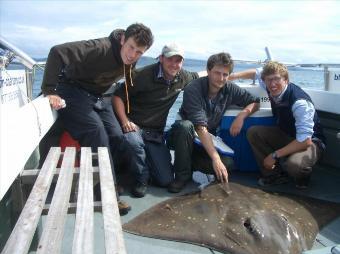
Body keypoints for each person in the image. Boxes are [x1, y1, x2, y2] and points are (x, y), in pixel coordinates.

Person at [41, 23, 154, 215]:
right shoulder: (99, 48)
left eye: (139, 52)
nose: (132, 55)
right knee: (97, 133)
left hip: (97, 96)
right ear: (122, 40)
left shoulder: (132, 59)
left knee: (118, 136)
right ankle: (105, 195)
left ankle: (110, 181)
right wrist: (49, 90)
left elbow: (126, 77)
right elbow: (57, 52)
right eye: (130, 47)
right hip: (71, 90)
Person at [112, 43, 205, 197]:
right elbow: (117, 96)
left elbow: (202, 75)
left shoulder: (183, 76)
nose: (174, 65)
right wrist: (124, 121)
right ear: (161, 58)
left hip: (154, 133)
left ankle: (146, 164)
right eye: (170, 59)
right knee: (133, 143)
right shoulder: (142, 75)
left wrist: (237, 76)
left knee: (165, 180)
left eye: (178, 60)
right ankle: (142, 178)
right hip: (134, 127)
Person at [166, 52, 260, 193]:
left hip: (204, 142)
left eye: (225, 74)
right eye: (217, 73)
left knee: (228, 164)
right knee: (185, 126)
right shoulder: (193, 88)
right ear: (208, 71)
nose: (221, 78)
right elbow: (200, 127)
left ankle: (189, 162)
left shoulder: (229, 88)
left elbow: (255, 102)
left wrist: (242, 116)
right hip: (182, 137)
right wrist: (215, 158)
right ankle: (181, 176)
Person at [244, 61, 325, 188]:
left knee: (294, 165)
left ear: (286, 80)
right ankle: (274, 175)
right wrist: (230, 77)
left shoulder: (300, 102)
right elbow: (256, 73)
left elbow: (305, 141)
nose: (272, 84)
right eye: (269, 80)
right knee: (254, 132)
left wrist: (274, 155)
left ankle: (302, 176)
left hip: (311, 142)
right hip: (288, 134)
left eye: (277, 79)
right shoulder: (270, 87)